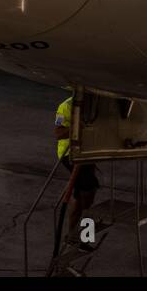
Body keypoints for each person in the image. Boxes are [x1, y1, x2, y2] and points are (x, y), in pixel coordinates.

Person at [54, 95, 98, 251]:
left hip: (87, 153)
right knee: (89, 190)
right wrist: (76, 127)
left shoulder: (97, 103)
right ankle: (80, 232)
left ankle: (73, 235)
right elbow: (58, 133)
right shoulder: (65, 106)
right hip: (70, 155)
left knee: (81, 196)